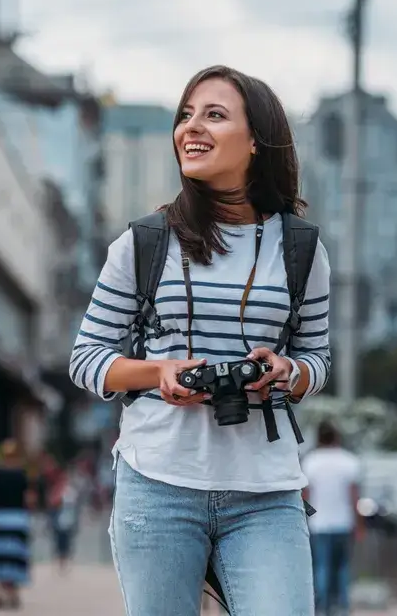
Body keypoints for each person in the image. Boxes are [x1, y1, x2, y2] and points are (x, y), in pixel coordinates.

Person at [68, 65, 332, 615]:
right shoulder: (143, 243)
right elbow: (87, 360)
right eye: (185, 116)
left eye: (214, 115)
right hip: (158, 483)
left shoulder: (302, 250)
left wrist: (289, 371)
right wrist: (157, 373)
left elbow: (317, 358)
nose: (192, 128)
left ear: (256, 140)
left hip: (265, 491)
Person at [302, 420, 363, 616]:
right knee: (343, 568)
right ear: (337, 437)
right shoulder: (349, 461)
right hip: (343, 523)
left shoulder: (311, 461)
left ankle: (321, 608)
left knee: (321, 567)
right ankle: (342, 608)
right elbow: (354, 497)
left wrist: (307, 517)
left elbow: (305, 497)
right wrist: (359, 524)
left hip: (319, 524)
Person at [0, 439, 33, 610]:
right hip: (17, 519)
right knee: (16, 557)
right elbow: (29, 499)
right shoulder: (22, 475)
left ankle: (0, 593)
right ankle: (13, 594)